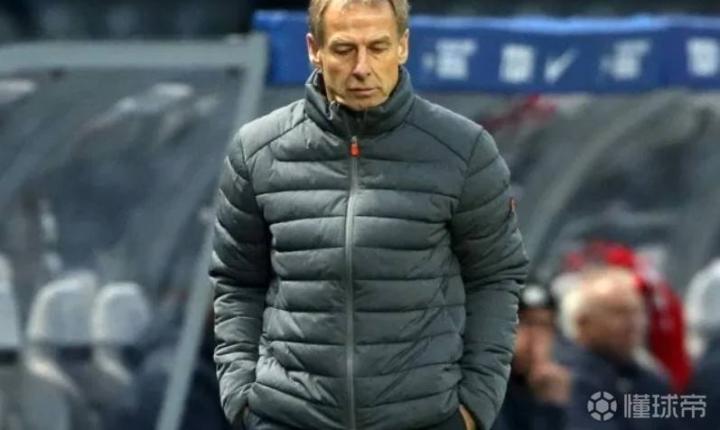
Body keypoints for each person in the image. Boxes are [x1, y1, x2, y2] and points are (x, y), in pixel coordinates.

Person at [209, 0, 529, 429]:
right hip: (287, 416)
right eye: (344, 49)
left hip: (424, 418)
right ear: (314, 49)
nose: (362, 67)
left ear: (403, 46)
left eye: (378, 47)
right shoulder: (258, 150)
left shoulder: (463, 149)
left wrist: (473, 407)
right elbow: (236, 281)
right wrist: (242, 400)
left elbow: (496, 277)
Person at [560, 267, 675, 430]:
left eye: (637, 312)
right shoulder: (567, 379)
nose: (633, 323)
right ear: (583, 322)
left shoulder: (650, 379)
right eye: (618, 313)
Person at [493, 283, 570, 430]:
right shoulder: (490, 378)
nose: (534, 335)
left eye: (544, 325)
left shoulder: (558, 379)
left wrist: (553, 404)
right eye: (525, 323)